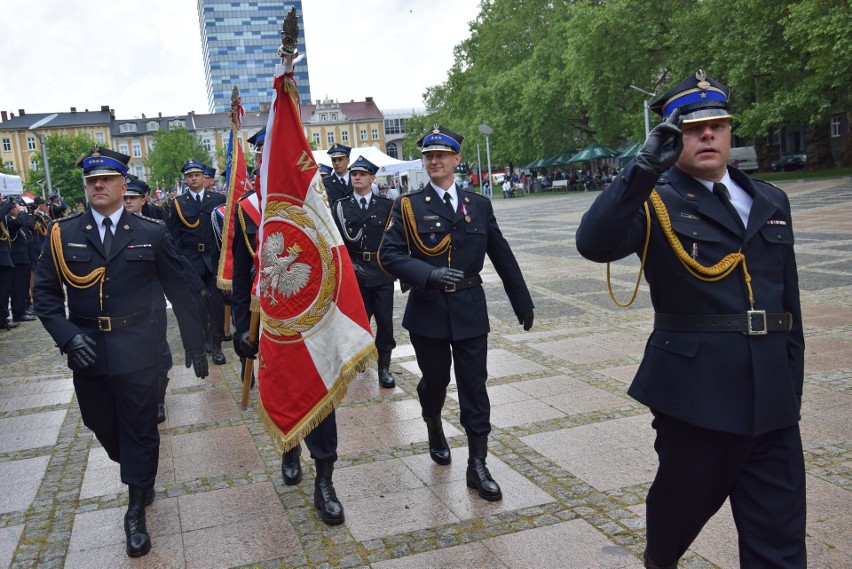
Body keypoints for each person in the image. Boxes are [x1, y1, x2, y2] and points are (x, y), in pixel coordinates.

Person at [575, 69, 806, 569]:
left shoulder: (770, 200)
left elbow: (789, 305)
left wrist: (793, 388)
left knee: (781, 541)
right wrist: (639, 170)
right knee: (678, 517)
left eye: (717, 125)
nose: (707, 135)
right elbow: (593, 243)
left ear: (729, 131)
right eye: (691, 127)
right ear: (671, 136)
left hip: (771, 397)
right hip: (695, 394)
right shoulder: (655, 198)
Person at [33, 146, 208, 558]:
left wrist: (195, 343)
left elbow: (177, 288)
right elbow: (43, 294)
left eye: (107, 179)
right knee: (101, 424)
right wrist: (67, 336)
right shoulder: (64, 233)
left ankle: (135, 509)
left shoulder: (150, 232)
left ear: (122, 184)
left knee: (141, 428)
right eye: (92, 180)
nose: (98, 185)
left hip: (139, 348)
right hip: (88, 350)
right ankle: (135, 467)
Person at [379, 125, 534, 501]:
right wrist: (428, 274)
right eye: (429, 156)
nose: (435, 161)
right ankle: (432, 420)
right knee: (434, 382)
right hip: (428, 311)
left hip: (469, 310)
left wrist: (521, 299)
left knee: (474, 387)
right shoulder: (408, 205)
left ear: (456, 161)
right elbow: (390, 254)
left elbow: (501, 252)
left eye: (442, 156)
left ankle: (477, 465)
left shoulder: (478, 204)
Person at [231, 187, 345, 526]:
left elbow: (335, 257)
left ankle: (324, 482)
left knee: (321, 398)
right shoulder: (247, 209)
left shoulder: (311, 196)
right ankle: (289, 445)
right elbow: (241, 274)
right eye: (262, 151)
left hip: (313, 319)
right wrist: (241, 328)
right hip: (271, 321)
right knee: (283, 389)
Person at [331, 156, 397, 388]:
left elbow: (394, 241)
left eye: (362, 174)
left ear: (372, 178)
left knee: (385, 322)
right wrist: (349, 264)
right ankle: (358, 357)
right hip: (355, 273)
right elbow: (335, 241)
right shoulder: (340, 207)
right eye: (353, 174)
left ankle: (384, 367)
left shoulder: (387, 206)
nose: (356, 177)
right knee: (358, 320)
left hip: (381, 272)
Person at [123, 175, 174, 423]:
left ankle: (157, 399)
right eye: (124, 197)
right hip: (122, 300)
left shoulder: (154, 226)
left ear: (143, 199)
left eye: (132, 197)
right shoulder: (108, 227)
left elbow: (171, 263)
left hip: (151, 296)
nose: (127, 202)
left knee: (156, 347)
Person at [167, 161, 227, 365]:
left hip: (214, 259)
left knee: (217, 304)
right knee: (199, 304)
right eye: (189, 175)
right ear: (185, 179)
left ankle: (217, 344)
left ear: (204, 178)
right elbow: (174, 238)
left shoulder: (218, 199)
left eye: (197, 175)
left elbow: (226, 232)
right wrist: (181, 264)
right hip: (191, 261)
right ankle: (206, 338)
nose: (194, 178)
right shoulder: (178, 203)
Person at [6, 198, 36, 323]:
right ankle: (18, 312)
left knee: (23, 286)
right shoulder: (10, 221)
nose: (16, 210)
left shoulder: (14, 219)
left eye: (16, 207)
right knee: (17, 288)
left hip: (23, 257)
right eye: (13, 208)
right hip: (17, 258)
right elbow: (22, 223)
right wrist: (24, 212)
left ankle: (23, 309)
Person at [0, 196, 19, 330]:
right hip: (1, 258)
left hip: (4, 257)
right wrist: (6, 206)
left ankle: (3, 317)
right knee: (2, 291)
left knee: (4, 291)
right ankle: (3, 319)